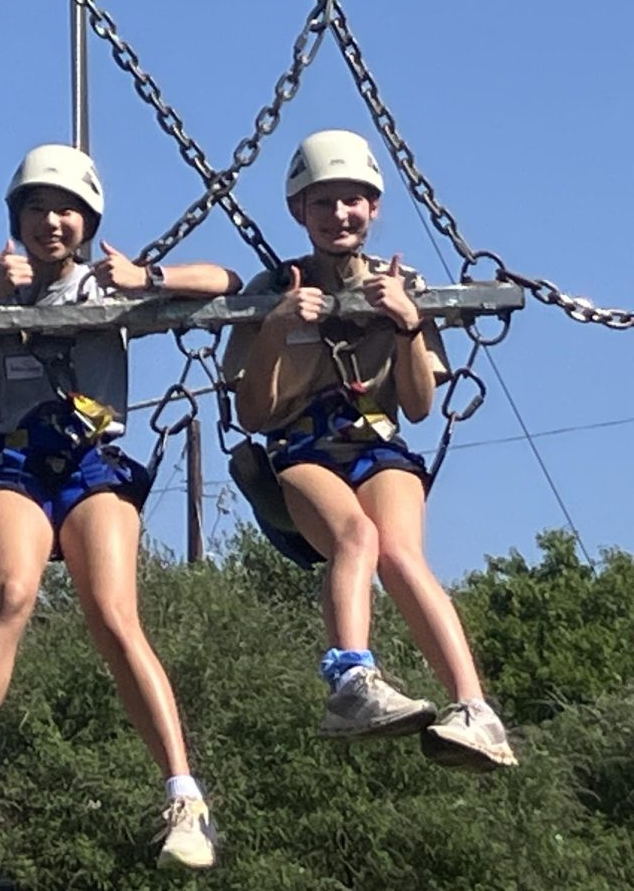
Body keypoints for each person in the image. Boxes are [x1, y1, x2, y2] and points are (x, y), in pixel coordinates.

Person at [0, 143, 240, 869]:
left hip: (93, 464)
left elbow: (227, 278)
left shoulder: (108, 288)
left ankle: (184, 796)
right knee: (11, 596)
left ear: (87, 221)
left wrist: (144, 277)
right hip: (18, 463)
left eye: (66, 211)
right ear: (17, 218)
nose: (51, 223)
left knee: (114, 613)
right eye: (37, 209)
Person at [221, 129, 517, 771]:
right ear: (300, 211)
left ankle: (474, 708)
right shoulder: (273, 286)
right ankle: (352, 680)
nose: (339, 216)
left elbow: (416, 405)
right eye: (323, 203)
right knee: (357, 537)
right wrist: (275, 326)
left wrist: (407, 323)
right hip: (302, 447)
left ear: (373, 208)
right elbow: (254, 413)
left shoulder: (401, 284)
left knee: (403, 553)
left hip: (377, 442)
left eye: (352, 200)